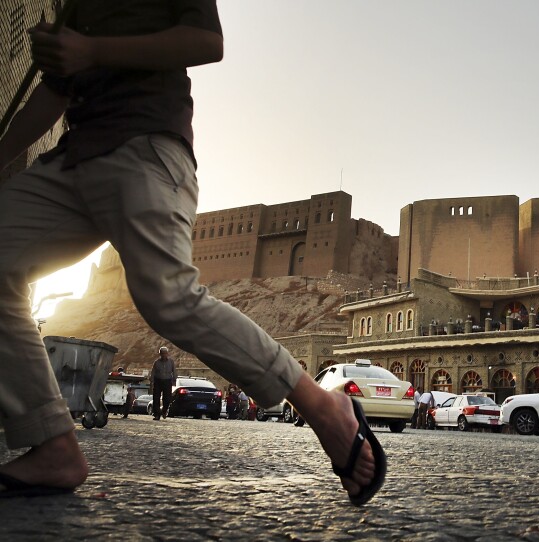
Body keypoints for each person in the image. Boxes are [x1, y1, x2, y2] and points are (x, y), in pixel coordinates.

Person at [0, 0, 383, 504]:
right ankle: (52, 445)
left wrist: (91, 49)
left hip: (145, 146)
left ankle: (324, 406)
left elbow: (206, 42)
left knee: (168, 297)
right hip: (72, 158)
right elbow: (55, 92)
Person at [150, 347, 177, 420]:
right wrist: (151, 381)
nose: (164, 355)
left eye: (165, 353)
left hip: (167, 381)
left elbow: (174, 371)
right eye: (162, 353)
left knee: (167, 399)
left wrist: (174, 380)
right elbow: (153, 372)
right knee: (156, 398)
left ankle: (164, 411)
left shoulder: (171, 362)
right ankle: (157, 415)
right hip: (158, 381)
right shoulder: (157, 362)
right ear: (160, 354)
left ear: (167, 354)